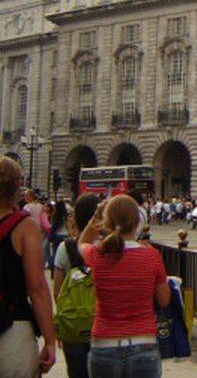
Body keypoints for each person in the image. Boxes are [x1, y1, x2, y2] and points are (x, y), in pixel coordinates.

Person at [78, 194, 170, 377]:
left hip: (104, 342)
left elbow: (82, 241)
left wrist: (96, 216)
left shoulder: (97, 255)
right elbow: (164, 300)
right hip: (143, 342)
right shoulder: (151, 256)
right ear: (137, 222)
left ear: (107, 222)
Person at [0, 156, 57, 376]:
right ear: (17, 186)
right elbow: (37, 288)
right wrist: (50, 340)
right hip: (12, 328)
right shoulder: (24, 226)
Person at [52, 193, 100, 378]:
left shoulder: (66, 248)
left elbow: (57, 291)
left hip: (74, 326)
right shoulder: (107, 246)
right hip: (104, 324)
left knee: (77, 372)